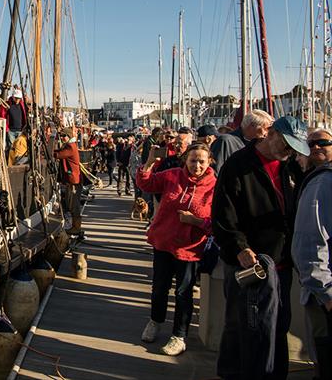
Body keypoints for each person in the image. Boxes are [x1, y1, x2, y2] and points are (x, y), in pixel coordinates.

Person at [213, 116, 309, 380]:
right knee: (239, 324)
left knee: (278, 325)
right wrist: (239, 247)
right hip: (247, 263)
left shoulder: (292, 166)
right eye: (286, 144)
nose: (288, 151)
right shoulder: (238, 164)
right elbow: (223, 213)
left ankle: (273, 374)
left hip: (282, 263)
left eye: (293, 148)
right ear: (271, 133)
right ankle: (232, 373)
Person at [137, 142, 217, 356]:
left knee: (183, 292)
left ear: (209, 162)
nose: (197, 166)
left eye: (201, 161)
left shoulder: (214, 186)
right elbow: (146, 183)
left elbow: (216, 222)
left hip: (189, 248)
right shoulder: (172, 176)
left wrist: (197, 222)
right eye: (193, 161)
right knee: (159, 286)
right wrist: (150, 163)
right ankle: (155, 320)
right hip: (164, 242)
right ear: (185, 160)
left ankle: (179, 336)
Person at [291, 128, 332, 380]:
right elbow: (309, 243)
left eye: (323, 143)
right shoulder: (321, 183)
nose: (316, 147)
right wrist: (326, 292)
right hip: (325, 298)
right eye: (311, 144)